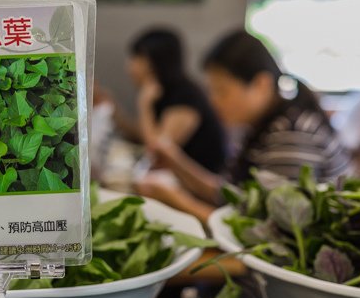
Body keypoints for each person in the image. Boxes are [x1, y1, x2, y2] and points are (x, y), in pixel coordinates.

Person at [137, 29, 349, 222]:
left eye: (222, 91)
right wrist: (175, 161)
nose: (213, 101)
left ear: (261, 84)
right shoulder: (265, 124)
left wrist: (177, 200)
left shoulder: (291, 135)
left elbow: (267, 231)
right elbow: (232, 195)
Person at [129, 28, 227, 173]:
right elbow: (144, 136)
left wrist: (145, 105)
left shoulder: (185, 97)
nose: (129, 66)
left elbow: (156, 152)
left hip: (202, 184)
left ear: (151, 62)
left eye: (136, 58)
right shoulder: (163, 91)